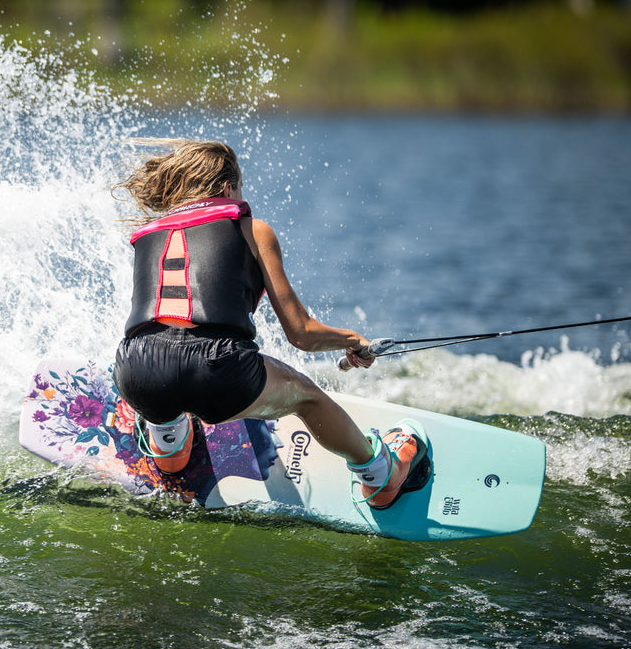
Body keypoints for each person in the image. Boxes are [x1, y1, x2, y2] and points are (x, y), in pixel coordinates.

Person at [111, 140, 426, 509]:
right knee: (306, 396)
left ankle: (169, 447)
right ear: (228, 189)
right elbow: (302, 333)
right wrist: (351, 339)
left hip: (135, 367)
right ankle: (380, 474)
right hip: (215, 368)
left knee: (165, 379)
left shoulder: (151, 232)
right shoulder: (252, 229)